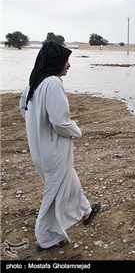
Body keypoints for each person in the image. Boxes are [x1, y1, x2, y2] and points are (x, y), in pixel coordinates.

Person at [19, 41, 100, 252]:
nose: (69, 65)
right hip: (53, 150)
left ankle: (85, 211)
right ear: (57, 63)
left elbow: (23, 108)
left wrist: (38, 127)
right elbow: (60, 122)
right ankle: (46, 238)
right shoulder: (53, 83)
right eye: (66, 61)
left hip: (41, 148)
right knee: (54, 191)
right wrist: (77, 130)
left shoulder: (33, 82)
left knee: (68, 179)